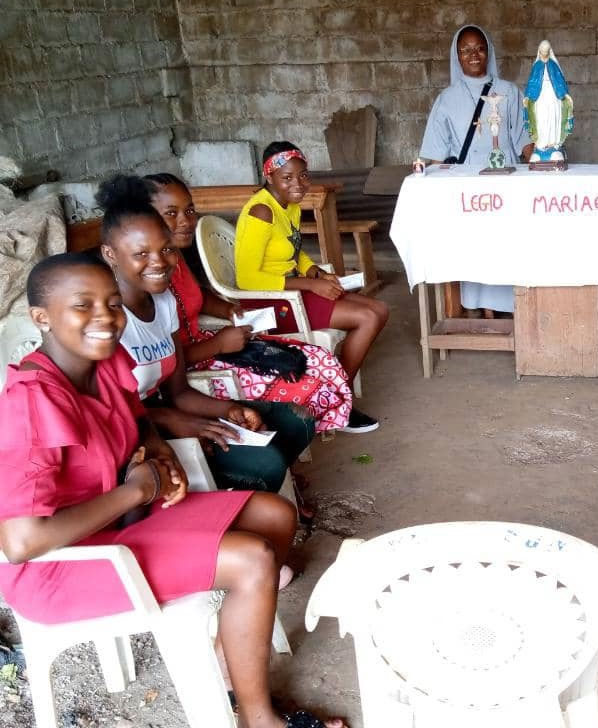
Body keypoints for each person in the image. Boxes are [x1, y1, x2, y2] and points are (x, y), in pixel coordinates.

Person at [0, 252, 343, 728]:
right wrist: (136, 492)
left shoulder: (102, 361)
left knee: (275, 515)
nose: (106, 317)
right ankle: (258, 718)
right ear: (42, 317)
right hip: (60, 565)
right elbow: (21, 543)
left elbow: (138, 417)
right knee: (253, 558)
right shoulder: (30, 403)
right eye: (83, 305)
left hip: (119, 523)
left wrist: (160, 451)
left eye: (112, 303)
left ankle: (230, 663)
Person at [97, 175, 316, 496]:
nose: (159, 262)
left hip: (168, 412)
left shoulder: (163, 302)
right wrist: (180, 422)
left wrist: (229, 410)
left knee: (297, 422)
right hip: (135, 436)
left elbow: (179, 391)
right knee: (266, 464)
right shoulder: (106, 323)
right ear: (110, 254)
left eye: (166, 248)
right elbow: (111, 416)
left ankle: (272, 493)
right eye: (141, 254)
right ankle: (244, 504)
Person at [143, 172, 361, 434]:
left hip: (213, 344)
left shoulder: (175, 257)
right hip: (199, 364)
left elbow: (196, 295)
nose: (186, 221)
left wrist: (229, 310)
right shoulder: (149, 281)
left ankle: (335, 416)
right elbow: (167, 367)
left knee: (320, 359)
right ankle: (306, 431)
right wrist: (218, 344)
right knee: (309, 387)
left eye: (189, 211)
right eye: (171, 213)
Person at [234, 142, 389, 433]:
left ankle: (331, 393)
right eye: (287, 177)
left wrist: (315, 271)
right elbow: (247, 280)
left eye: (303, 175)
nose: (298, 184)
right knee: (367, 318)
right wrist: (310, 284)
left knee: (379, 309)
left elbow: (294, 251)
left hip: (291, 291)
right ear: (269, 177)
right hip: (268, 303)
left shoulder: (289, 205)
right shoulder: (261, 212)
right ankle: (337, 403)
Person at [418, 24, 533, 314]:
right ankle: (478, 308)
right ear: (456, 55)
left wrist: (540, 167)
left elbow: (523, 138)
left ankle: (512, 306)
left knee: (507, 247)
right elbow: (437, 155)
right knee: (476, 249)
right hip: (468, 189)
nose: (473, 55)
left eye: (480, 48)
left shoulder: (508, 91)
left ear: (488, 52)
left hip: (506, 181)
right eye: (466, 50)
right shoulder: (446, 99)